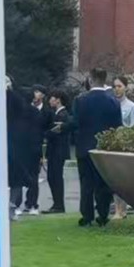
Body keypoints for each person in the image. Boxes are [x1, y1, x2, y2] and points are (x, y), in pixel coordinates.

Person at [71, 69, 124, 228]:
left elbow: (75, 123)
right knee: (103, 184)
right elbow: (117, 126)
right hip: (103, 148)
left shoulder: (80, 100)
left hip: (85, 147)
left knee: (86, 183)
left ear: (91, 79)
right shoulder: (113, 102)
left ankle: (87, 216)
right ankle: (103, 214)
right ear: (104, 80)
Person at [5, 78, 45, 217]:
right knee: (30, 178)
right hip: (31, 148)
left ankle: (15, 204)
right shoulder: (34, 113)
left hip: (17, 148)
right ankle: (30, 204)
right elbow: (38, 132)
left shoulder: (13, 112)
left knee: (16, 178)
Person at [42, 89, 73, 214]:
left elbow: (55, 132)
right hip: (55, 150)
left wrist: (44, 134)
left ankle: (59, 204)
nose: (50, 101)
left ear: (58, 100)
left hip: (58, 150)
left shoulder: (62, 115)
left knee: (55, 177)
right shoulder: (56, 114)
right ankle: (57, 203)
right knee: (52, 177)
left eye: (52, 98)